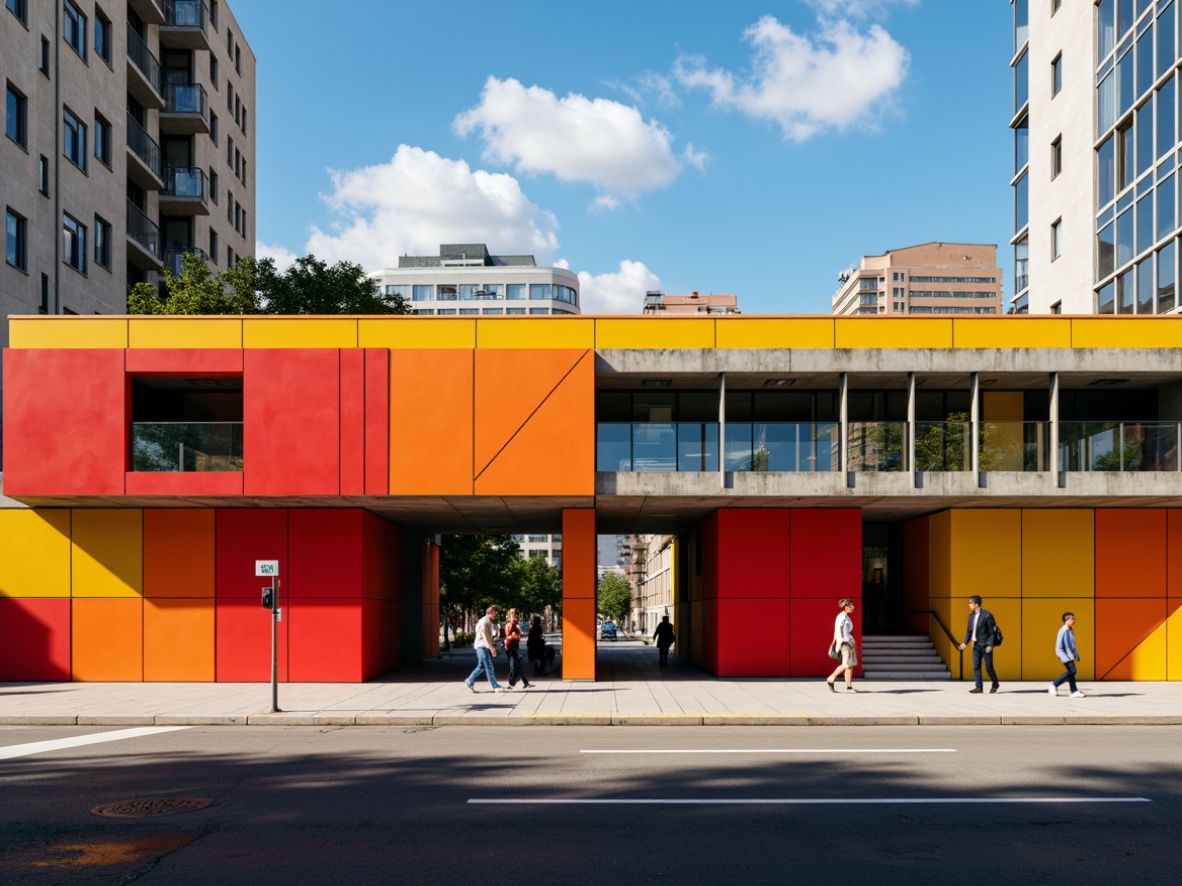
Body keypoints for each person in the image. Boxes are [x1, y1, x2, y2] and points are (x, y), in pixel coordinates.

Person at [958, 595, 1000, 694]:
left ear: (977, 604)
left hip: (986, 645)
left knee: (989, 667)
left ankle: (995, 684)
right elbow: (969, 631)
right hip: (976, 645)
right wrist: (965, 643)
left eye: (971, 603)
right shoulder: (971, 616)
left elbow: (992, 632)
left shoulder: (987, 615)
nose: (969, 605)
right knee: (976, 667)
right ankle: (979, 687)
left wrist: (990, 645)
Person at [464, 605, 505, 692]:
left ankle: (469, 680)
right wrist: (491, 647)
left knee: (481, 666)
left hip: (481, 646)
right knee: (489, 666)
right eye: (495, 612)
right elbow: (484, 634)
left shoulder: (487, 620)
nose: (496, 614)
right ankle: (495, 686)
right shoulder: (485, 621)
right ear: (490, 612)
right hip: (482, 646)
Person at [825, 598, 858, 692]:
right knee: (846, 664)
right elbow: (839, 631)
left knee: (849, 665)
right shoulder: (842, 617)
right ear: (846, 607)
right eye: (851, 605)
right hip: (845, 643)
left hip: (848, 642)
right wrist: (842, 641)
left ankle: (849, 687)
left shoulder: (845, 616)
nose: (853, 607)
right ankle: (831, 678)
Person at [1050, 612, 1085, 698]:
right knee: (1073, 671)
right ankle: (1054, 684)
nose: (1073, 620)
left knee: (1072, 672)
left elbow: (1072, 645)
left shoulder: (1069, 629)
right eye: (1071, 619)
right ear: (1066, 620)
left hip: (1066, 654)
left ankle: (1074, 691)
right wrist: (1072, 657)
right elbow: (1067, 646)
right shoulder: (1065, 630)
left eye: (1074, 619)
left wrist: (1076, 656)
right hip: (1064, 653)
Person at [504, 608, 531, 690]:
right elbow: (508, 636)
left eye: (516, 616)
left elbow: (511, 637)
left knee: (515, 665)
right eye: (514, 616)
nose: (516, 618)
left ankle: (514, 683)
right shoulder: (510, 625)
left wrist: (514, 637)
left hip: (512, 647)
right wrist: (513, 637)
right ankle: (519, 682)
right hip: (511, 647)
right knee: (515, 665)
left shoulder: (514, 625)